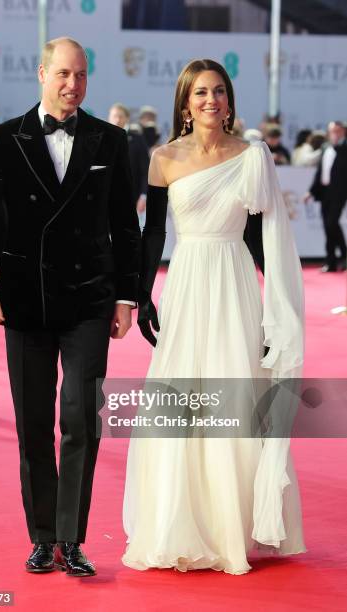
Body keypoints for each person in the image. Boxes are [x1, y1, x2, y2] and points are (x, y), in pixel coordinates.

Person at [122, 59, 305, 575]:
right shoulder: (163, 158)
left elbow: (259, 237)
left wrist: (280, 308)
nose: (211, 100)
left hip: (235, 285)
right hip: (186, 284)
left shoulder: (251, 157)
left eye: (219, 91)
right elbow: (153, 234)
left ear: (229, 99)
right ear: (185, 102)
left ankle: (233, 527)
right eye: (201, 92)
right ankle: (181, 522)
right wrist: (142, 294)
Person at [0, 37, 140, 577]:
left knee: (82, 422)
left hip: (90, 298)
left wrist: (127, 295)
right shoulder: (2, 138)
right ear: (42, 72)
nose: (73, 85)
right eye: (63, 73)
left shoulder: (110, 140)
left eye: (81, 75)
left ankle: (72, 538)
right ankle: (43, 537)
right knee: (34, 425)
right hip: (24, 299)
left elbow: (124, 227)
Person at [304, 121, 347, 272]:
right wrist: (311, 191)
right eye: (332, 131)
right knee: (328, 226)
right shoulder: (325, 148)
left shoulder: (344, 148)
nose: (335, 133)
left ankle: (343, 254)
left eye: (338, 131)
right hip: (325, 192)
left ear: (343, 132)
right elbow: (320, 172)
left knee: (331, 223)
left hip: (340, 192)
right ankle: (332, 261)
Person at [108, 102, 149, 212]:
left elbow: (146, 171)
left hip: (132, 199)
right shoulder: (102, 139)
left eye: (120, 116)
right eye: (114, 116)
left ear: (127, 119)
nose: (117, 120)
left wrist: (144, 196)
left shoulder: (137, 140)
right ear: (109, 118)